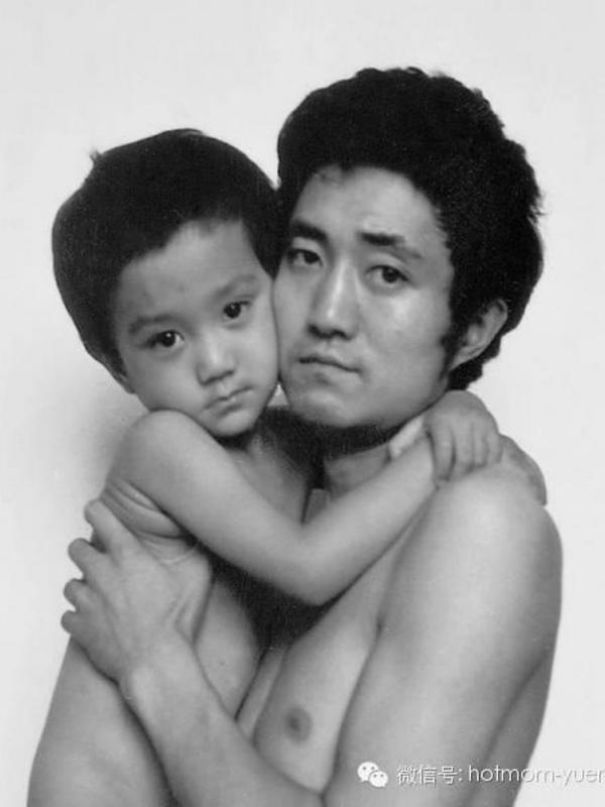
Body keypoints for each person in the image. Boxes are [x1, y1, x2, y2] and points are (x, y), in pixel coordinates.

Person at [39, 66, 560, 807]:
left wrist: (155, 664)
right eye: (307, 257)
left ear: (473, 329)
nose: (327, 312)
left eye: (385, 273)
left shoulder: (480, 524)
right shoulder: (283, 494)